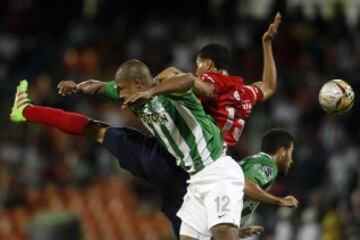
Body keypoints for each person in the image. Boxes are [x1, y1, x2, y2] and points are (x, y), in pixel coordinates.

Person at [11, 79, 298, 239]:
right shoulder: (187, 100)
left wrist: (85, 87)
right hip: (184, 177)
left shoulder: (167, 95)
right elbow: (104, 86)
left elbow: (115, 86)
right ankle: (27, 111)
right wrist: (81, 87)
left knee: (96, 131)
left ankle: (27, 111)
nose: (122, 97)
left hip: (171, 170)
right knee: (95, 130)